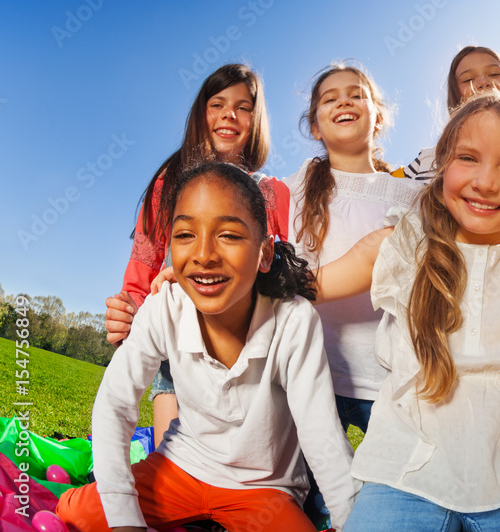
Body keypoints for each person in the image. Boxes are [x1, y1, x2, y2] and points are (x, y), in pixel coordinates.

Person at [313, 93, 500, 530]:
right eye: (468, 159)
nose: (485, 182)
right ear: (442, 170)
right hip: (405, 469)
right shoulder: (400, 246)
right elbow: (307, 285)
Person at [57, 162, 357, 532]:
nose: (203, 254)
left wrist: (349, 523)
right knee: (78, 514)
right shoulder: (165, 305)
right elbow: (115, 402)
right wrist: (124, 518)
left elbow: (323, 437)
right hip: (182, 468)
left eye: (228, 235)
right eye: (185, 235)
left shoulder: (294, 321)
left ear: (264, 254)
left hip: (262, 491)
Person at [104, 64, 289, 446]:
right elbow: (144, 264)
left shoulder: (273, 193)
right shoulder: (168, 183)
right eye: (217, 103)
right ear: (200, 114)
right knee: (171, 464)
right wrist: (128, 311)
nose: (229, 115)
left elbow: (286, 277)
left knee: (242, 474)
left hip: (247, 358)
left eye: (243, 107)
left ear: (256, 121)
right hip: (174, 360)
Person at [285, 62, 421, 434]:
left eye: (356, 94)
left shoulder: (410, 196)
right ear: (315, 126)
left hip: (385, 380)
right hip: (307, 374)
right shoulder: (290, 190)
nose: (344, 102)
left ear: (378, 118)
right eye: (330, 98)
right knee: (312, 490)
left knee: (391, 485)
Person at [394, 45, 500, 182]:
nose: (483, 82)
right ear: (456, 95)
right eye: (468, 79)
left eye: (494, 74)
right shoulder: (427, 161)